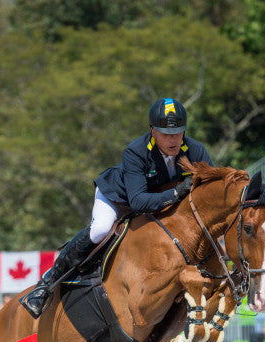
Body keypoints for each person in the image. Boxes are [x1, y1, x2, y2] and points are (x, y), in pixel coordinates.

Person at [21, 98, 214, 317]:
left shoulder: (196, 151)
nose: (173, 139)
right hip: (118, 198)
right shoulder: (136, 151)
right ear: (152, 131)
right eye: (165, 134)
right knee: (101, 229)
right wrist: (178, 193)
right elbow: (138, 202)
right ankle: (45, 285)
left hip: (157, 205)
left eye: (178, 133)